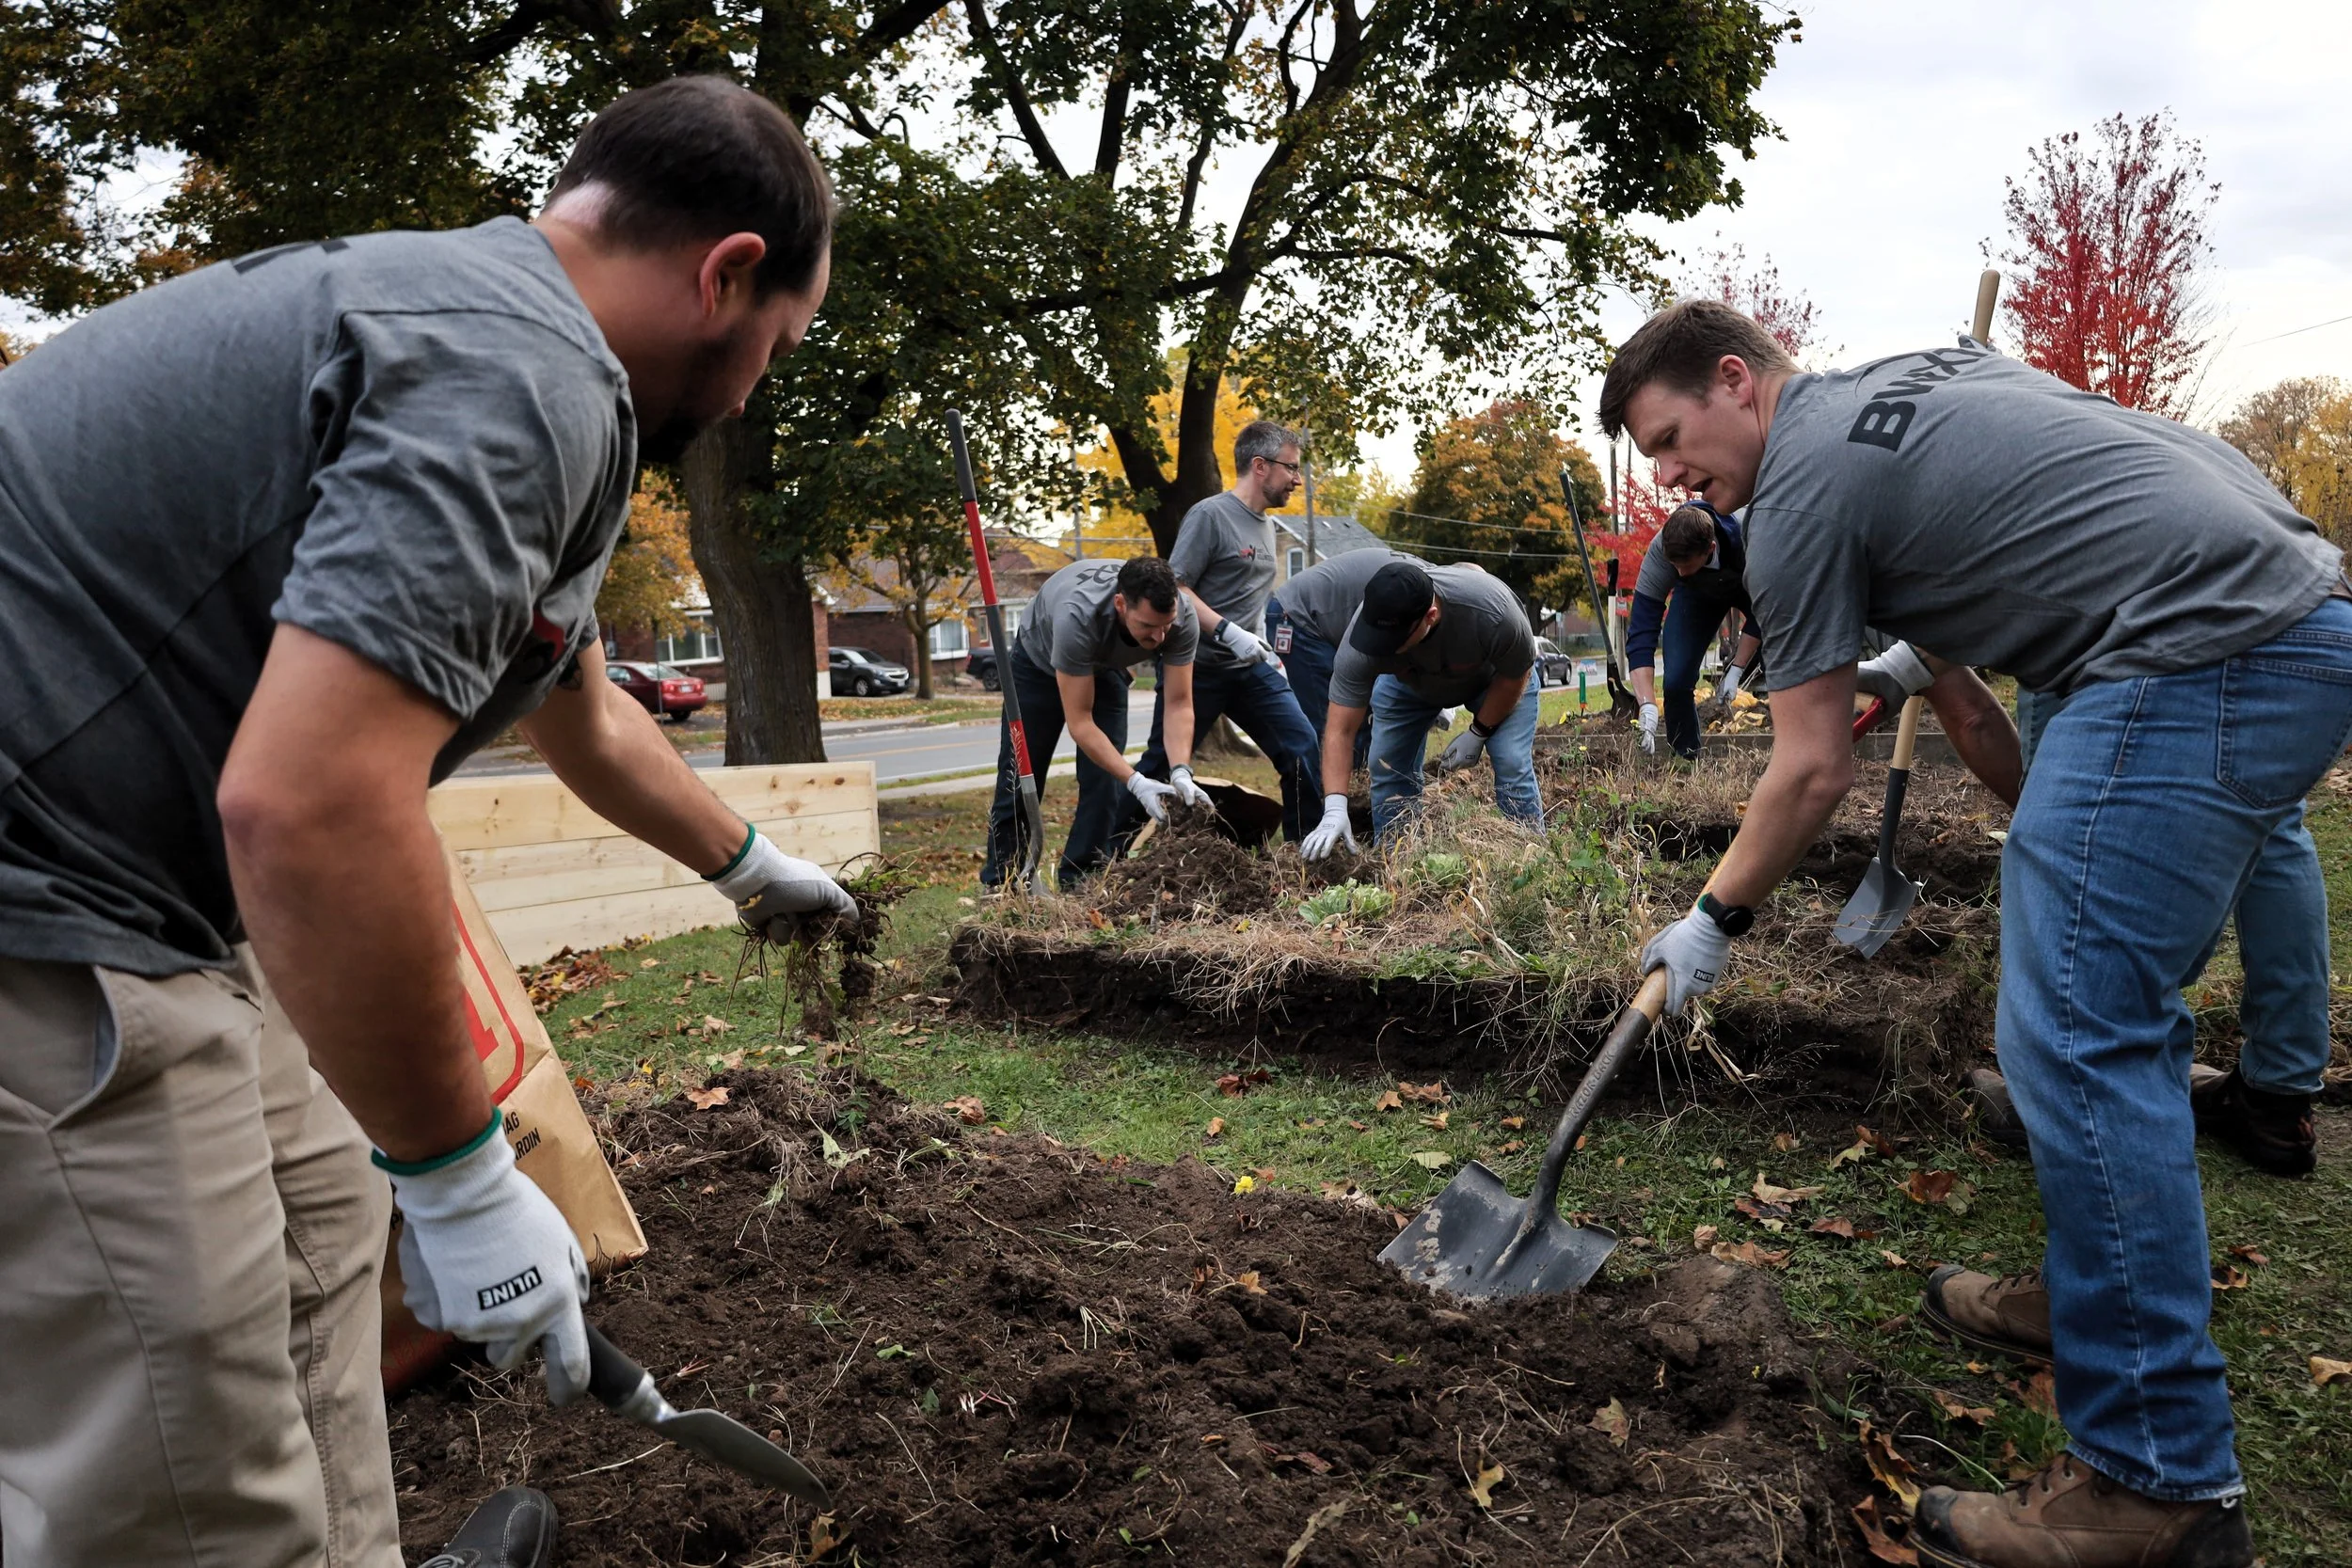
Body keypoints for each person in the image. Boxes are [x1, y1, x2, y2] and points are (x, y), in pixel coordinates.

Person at [0, 76, 855, 1568]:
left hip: (160, 894)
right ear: (727, 274)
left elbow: (577, 707)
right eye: (775, 346)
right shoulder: (521, 379)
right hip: (44, 909)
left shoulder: (502, 339)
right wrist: (463, 1173)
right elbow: (314, 804)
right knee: (173, 1423)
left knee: (326, 1221)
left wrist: (747, 862)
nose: (752, 391)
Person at [1601, 297, 2349, 1568]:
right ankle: (2093, 1301)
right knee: (2093, 1013)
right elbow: (2002, 564)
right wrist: (1916, 665)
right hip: (2278, 604)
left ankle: (2157, 1482)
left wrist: (1708, 919)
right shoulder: (1902, 382)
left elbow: (1809, 770)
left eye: (1669, 438)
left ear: (1736, 380)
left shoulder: (1794, 499)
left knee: (2073, 1031)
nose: (1668, 476)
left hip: (2198, 647)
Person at [1862, 643, 2329, 1178]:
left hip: (2102, 629)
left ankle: (2061, 1086)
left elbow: (1975, 715)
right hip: (2274, 619)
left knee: (2064, 836)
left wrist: (1914, 660)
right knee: (2270, 820)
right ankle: (2279, 1097)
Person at [1126, 420, 1322, 844]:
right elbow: (1175, 586)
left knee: (1303, 747)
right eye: (1291, 467)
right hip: (1195, 666)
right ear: (1260, 466)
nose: (1297, 478)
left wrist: (1264, 650)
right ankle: (1103, 861)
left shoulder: (1267, 525)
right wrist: (1228, 631)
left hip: (1249, 669)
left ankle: (1309, 853)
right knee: (1161, 766)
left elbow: (1246, 596)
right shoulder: (1210, 515)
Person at [980, 555, 1209, 888]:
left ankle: (1081, 878)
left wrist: (1180, 772)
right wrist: (1137, 781)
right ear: (1120, 604)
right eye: (1147, 626)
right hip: (1038, 662)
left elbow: (1177, 703)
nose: (1159, 637)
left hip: (1105, 667)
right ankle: (1001, 880)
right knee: (1021, 775)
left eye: (1166, 625)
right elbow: (1081, 722)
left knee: (1105, 780)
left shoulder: (1183, 616)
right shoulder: (1078, 617)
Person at [1302, 560, 1544, 858]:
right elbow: (1340, 729)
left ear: (1431, 616)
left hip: (1495, 680)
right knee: (1388, 767)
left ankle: (1530, 858)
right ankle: (1397, 862)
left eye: (1394, 640)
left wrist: (1479, 731)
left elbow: (1515, 674)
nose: (1382, 647)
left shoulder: (1493, 612)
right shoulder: (1362, 643)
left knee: (1511, 761)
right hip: (1407, 684)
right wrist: (1335, 806)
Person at [1625, 499, 1762, 757]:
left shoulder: (1752, 537)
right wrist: (1647, 704)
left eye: (1683, 565)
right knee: (1676, 680)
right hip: (1697, 594)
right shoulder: (1662, 554)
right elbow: (1642, 630)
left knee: (1783, 660)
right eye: (1674, 565)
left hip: (1751, 587)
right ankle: (1686, 757)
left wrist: (1737, 667)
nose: (1676, 571)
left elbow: (1765, 610)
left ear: (1710, 548)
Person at [1264, 545, 1398, 769]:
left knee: (1362, 710)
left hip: (1327, 620)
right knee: (1336, 715)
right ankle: (1334, 795)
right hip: (1297, 616)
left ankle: (1361, 782)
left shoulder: (1425, 584)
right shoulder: (1417, 591)